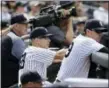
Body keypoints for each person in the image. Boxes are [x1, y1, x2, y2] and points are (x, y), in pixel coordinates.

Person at [1, 14, 29, 88]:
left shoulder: (7, 36)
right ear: (16, 26)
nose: (27, 27)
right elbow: (27, 61)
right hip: (11, 83)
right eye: (24, 25)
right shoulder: (16, 39)